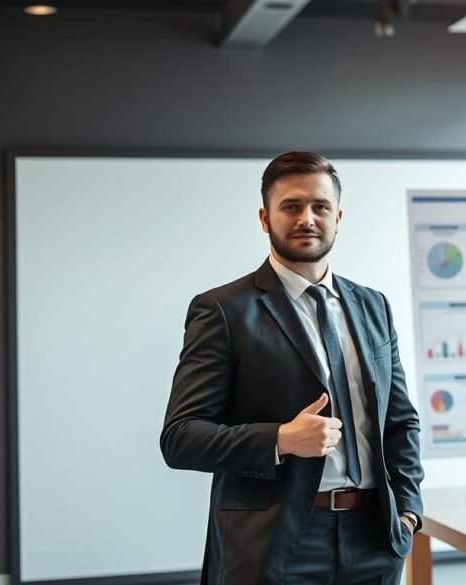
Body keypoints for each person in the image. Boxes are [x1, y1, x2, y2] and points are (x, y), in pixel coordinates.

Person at [160, 151, 424, 584]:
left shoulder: (373, 306)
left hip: (375, 539)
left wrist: (409, 511)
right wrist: (280, 439)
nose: (307, 218)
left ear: (338, 217)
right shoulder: (223, 311)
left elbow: (400, 421)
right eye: (291, 206)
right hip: (275, 547)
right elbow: (181, 438)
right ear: (265, 218)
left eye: (320, 207)